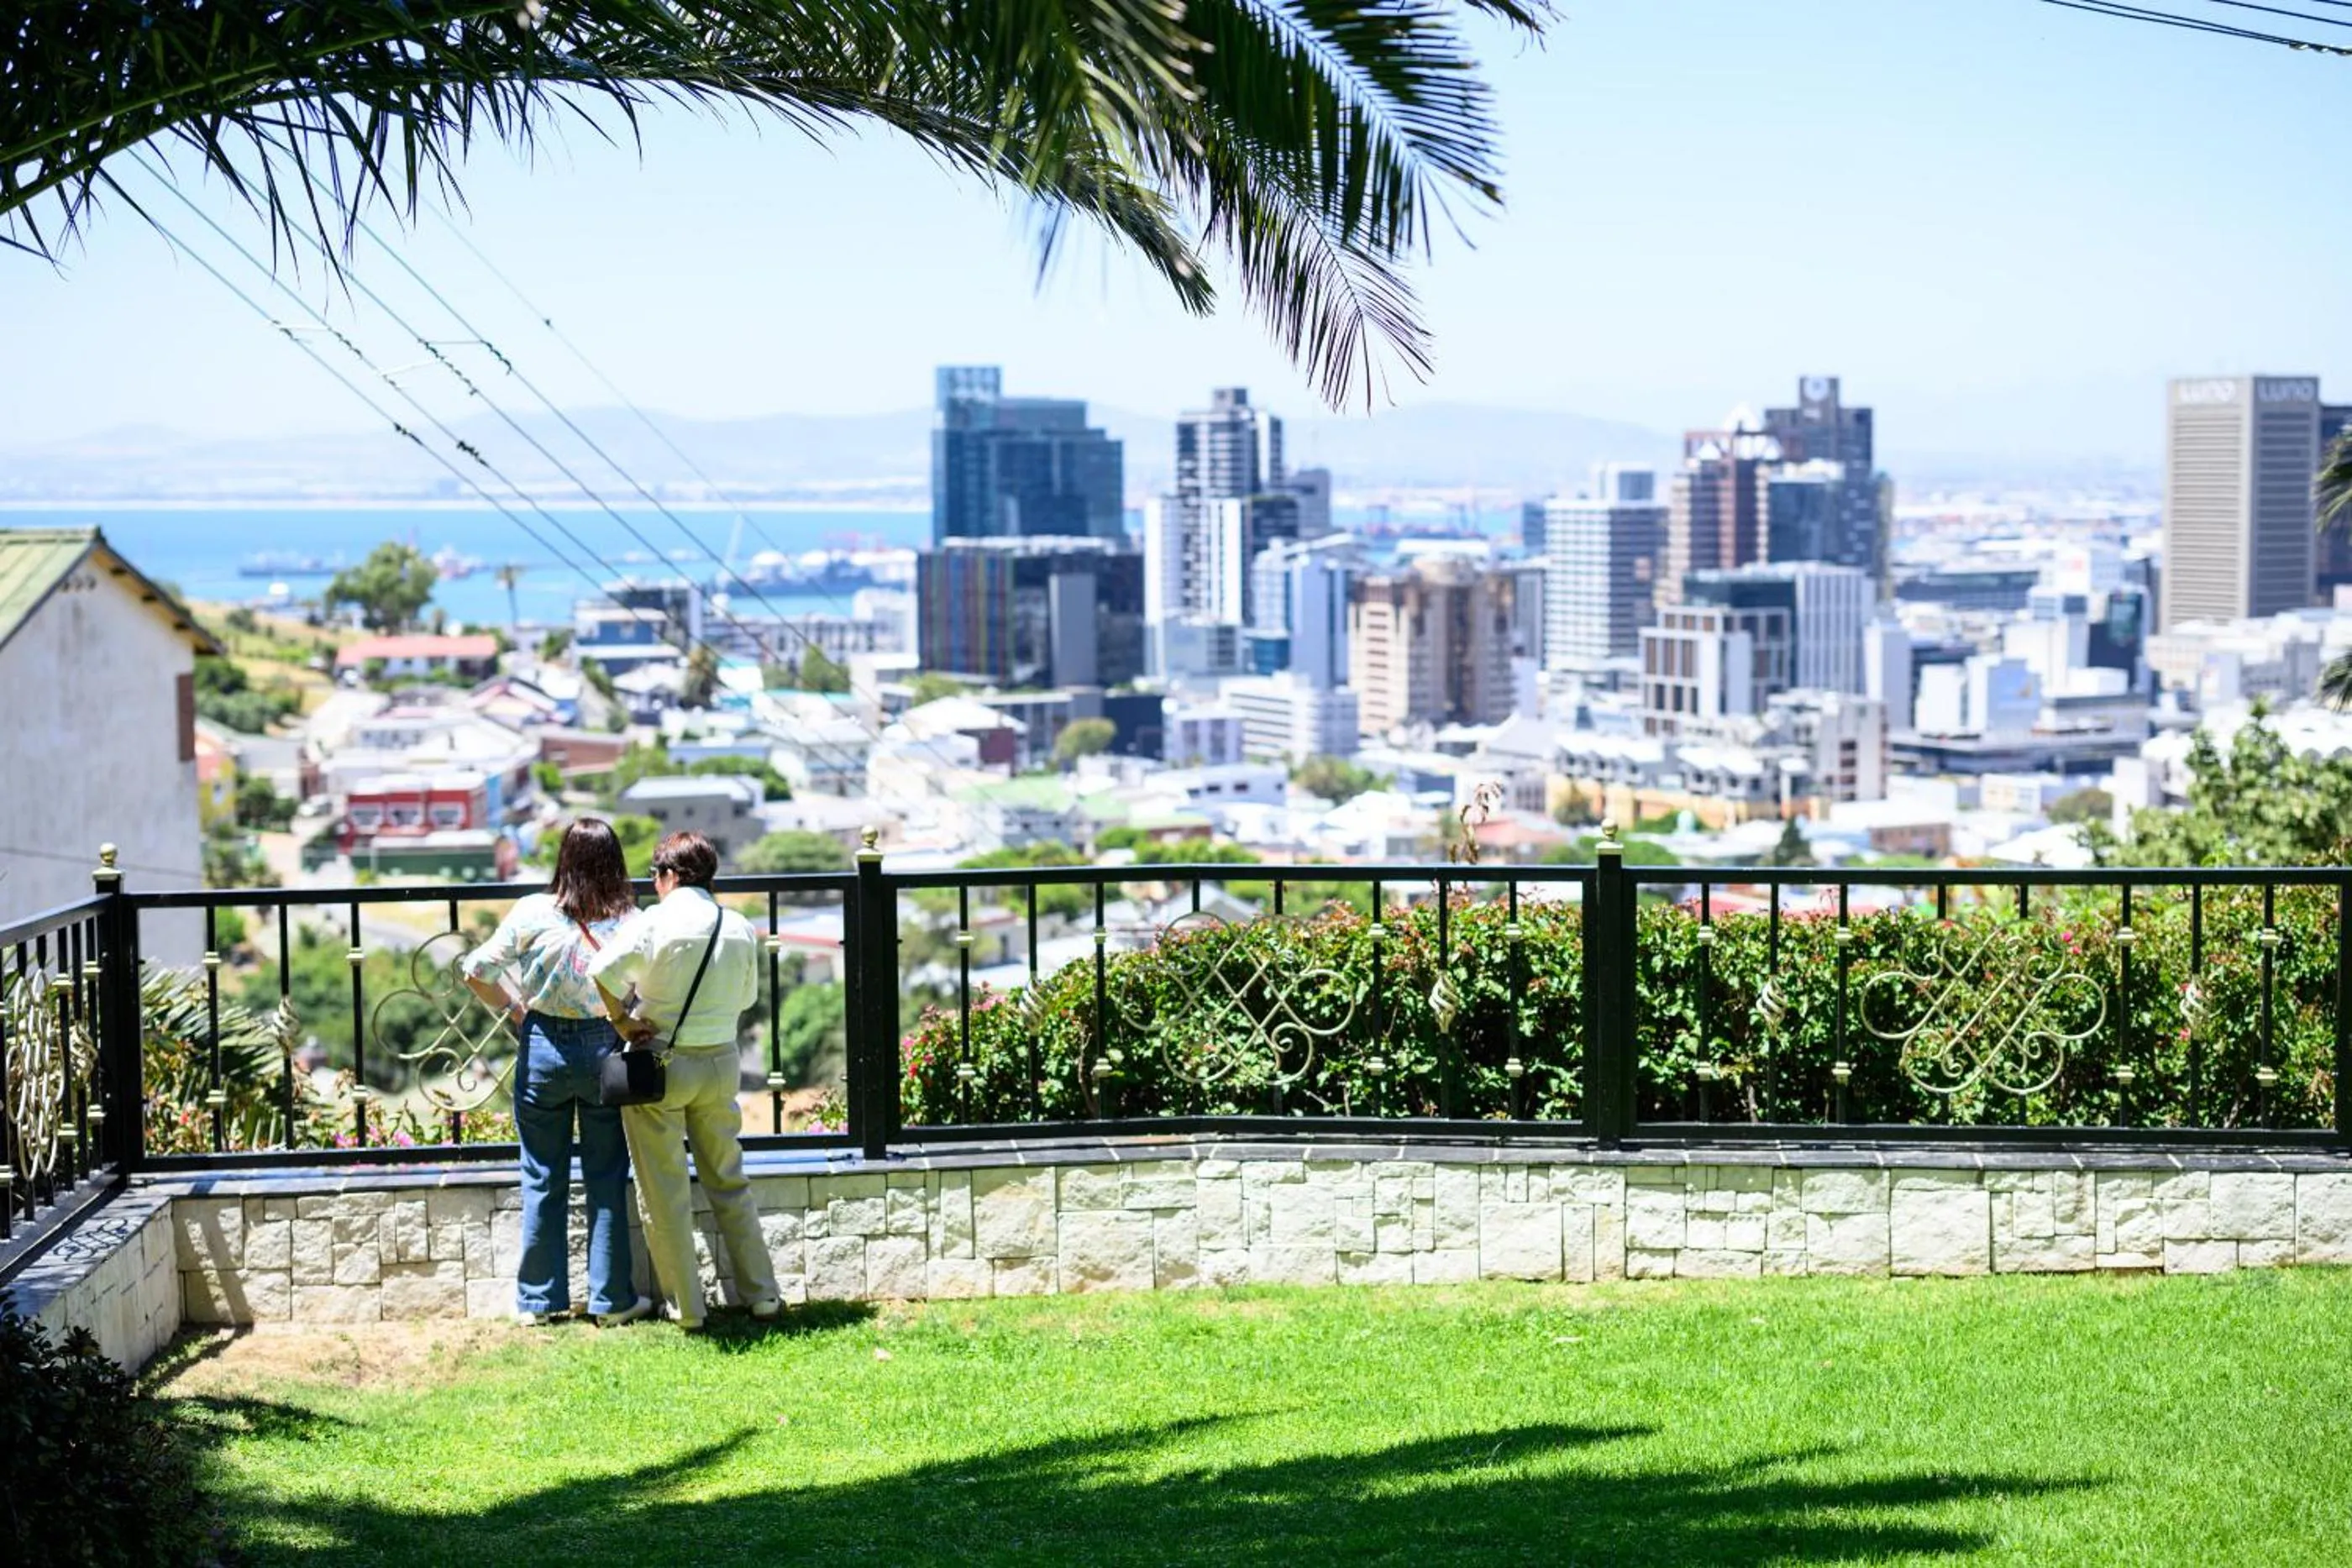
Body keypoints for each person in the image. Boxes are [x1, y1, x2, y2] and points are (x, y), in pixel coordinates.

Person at [461, 818, 652, 1328]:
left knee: (542, 1175)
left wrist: (514, 1009)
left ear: (563, 859)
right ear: (616, 863)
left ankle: (540, 1301)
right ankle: (612, 1300)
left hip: (543, 1045)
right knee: (607, 1174)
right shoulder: (633, 920)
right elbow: (651, 982)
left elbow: (475, 971)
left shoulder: (532, 911)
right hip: (604, 1050)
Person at [588, 830, 781, 1328]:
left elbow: (602, 970)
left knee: (665, 1191)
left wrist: (623, 1022)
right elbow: (745, 1000)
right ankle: (762, 1294)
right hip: (720, 1061)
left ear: (670, 874)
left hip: (661, 1064)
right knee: (728, 1178)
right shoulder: (736, 925)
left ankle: (688, 1307)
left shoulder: (655, 922)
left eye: (655, 875)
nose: (653, 886)